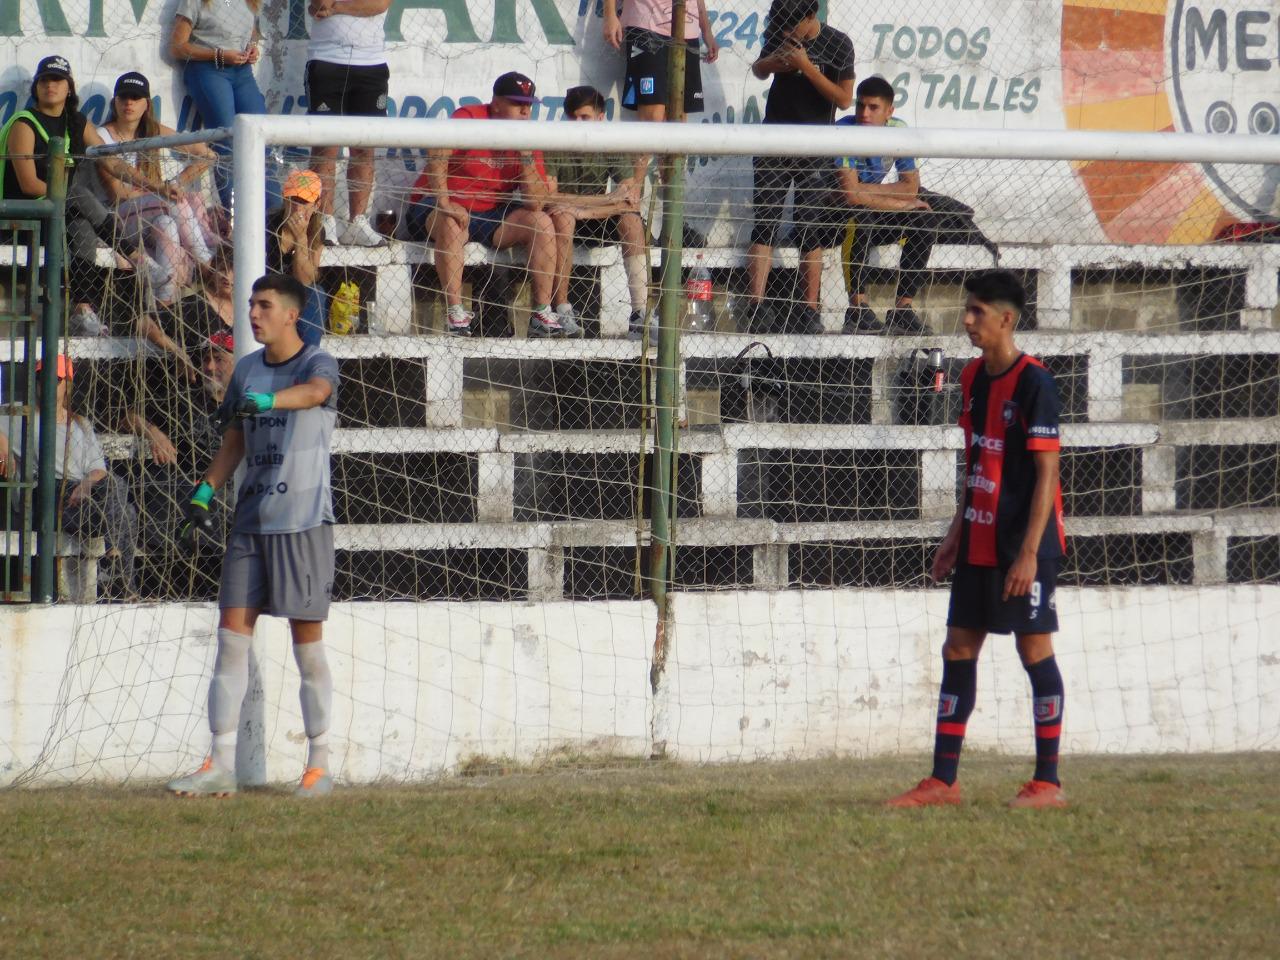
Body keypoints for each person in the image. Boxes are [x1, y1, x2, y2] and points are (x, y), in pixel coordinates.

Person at [887, 270, 1068, 810]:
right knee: (958, 646)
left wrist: (1030, 554)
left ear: (1006, 319)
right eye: (967, 310)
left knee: (1033, 648)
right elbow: (977, 462)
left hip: (1025, 544)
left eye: (978, 312)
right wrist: (955, 534)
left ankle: (1047, 783)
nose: (967, 320)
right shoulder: (971, 378)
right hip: (979, 537)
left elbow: (1047, 475)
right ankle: (943, 781)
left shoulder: (1036, 383)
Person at [167, 273, 340, 798]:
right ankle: (219, 764)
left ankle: (319, 766)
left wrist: (268, 404)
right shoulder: (245, 370)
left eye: (264, 305)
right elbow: (234, 443)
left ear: (292, 314)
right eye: (250, 305)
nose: (254, 313)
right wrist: (203, 492)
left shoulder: (316, 361)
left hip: (303, 523)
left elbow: (316, 394)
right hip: (250, 523)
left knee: (306, 649)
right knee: (230, 642)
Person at [0, 56, 179, 322]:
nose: (51, 85)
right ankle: (136, 256)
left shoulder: (77, 122)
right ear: (36, 87)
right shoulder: (23, 124)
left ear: (69, 87)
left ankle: (82, 308)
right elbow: (28, 185)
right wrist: (68, 195)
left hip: (56, 216)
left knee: (82, 221)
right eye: (45, 80)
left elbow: (111, 161)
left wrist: (158, 186)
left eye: (58, 80)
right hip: (22, 220)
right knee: (79, 195)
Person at [405, 73, 571, 338]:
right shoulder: (470, 116)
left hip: (491, 213)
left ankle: (541, 311)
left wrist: (526, 155)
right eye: (517, 103)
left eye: (528, 104)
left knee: (541, 222)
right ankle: (456, 313)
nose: (525, 110)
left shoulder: (528, 135)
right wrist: (446, 202)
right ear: (496, 103)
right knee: (452, 223)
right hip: (439, 205)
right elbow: (437, 154)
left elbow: (536, 202)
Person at [742, 0, 854, 334]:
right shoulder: (780, 31)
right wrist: (777, 62)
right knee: (765, 223)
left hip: (815, 146)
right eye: (783, 27)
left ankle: (809, 310)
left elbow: (844, 99)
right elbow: (759, 70)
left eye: (795, 26)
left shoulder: (838, 42)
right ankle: (755, 306)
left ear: (812, 15)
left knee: (809, 228)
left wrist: (807, 66)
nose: (789, 33)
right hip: (774, 140)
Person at [0, 354, 140, 599]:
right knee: (122, 509)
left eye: (56, 379)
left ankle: (116, 569)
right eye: (42, 378)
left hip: (82, 494)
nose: (47, 385)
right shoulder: (19, 415)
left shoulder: (81, 424)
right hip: (45, 492)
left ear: (68, 384)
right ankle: (120, 580)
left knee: (122, 499)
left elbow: (99, 470)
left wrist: (85, 485)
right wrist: (2, 443)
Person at [92, 71, 221, 306]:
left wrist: (176, 183)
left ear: (146, 104)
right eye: (123, 97)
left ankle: (163, 304)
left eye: (135, 97)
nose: (129, 103)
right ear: (115, 102)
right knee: (173, 201)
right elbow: (119, 194)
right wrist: (162, 191)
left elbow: (207, 154)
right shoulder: (103, 136)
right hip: (116, 221)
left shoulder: (151, 131)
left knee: (167, 224)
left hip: (150, 218)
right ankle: (206, 263)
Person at [831, 76, 933, 336]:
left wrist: (863, 191)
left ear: (889, 112)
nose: (864, 113)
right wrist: (900, 203)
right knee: (861, 216)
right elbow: (849, 197)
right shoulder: (844, 131)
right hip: (834, 216)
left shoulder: (899, 130)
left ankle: (902, 309)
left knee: (923, 217)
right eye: (860, 106)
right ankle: (857, 308)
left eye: (873, 108)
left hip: (867, 205)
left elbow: (910, 187)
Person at [546, 85, 648, 339]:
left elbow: (629, 198)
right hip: (563, 221)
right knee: (563, 216)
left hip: (594, 218)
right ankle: (561, 309)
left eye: (584, 117)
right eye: (572, 117)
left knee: (631, 221)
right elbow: (547, 197)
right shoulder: (550, 140)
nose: (577, 123)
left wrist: (584, 210)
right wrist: (604, 201)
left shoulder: (610, 142)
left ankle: (640, 313)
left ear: (600, 118)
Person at [169, 0, 274, 214]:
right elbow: (177, 46)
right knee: (226, 137)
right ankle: (236, 214)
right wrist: (217, 54)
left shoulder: (249, 2)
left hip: (241, 71)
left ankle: (273, 213)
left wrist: (252, 49)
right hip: (208, 69)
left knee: (263, 135)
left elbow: (249, 33)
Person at [304, 0, 391, 247]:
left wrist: (337, 7)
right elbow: (318, 5)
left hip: (371, 63)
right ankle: (325, 219)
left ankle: (358, 221)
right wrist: (330, 6)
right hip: (326, 58)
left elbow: (379, 5)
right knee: (325, 146)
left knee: (364, 146)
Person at [603, 0, 718, 125]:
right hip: (646, 24)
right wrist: (609, 15)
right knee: (654, 115)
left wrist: (707, 31)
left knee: (679, 114)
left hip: (688, 30)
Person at [267, 169, 326, 345]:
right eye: (294, 200)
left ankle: (307, 356)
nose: (298, 208)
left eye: (304, 201)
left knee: (316, 293)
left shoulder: (316, 231)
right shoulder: (267, 224)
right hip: (267, 289)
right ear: (285, 199)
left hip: (293, 294)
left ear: (316, 204)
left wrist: (301, 238)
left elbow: (306, 280)